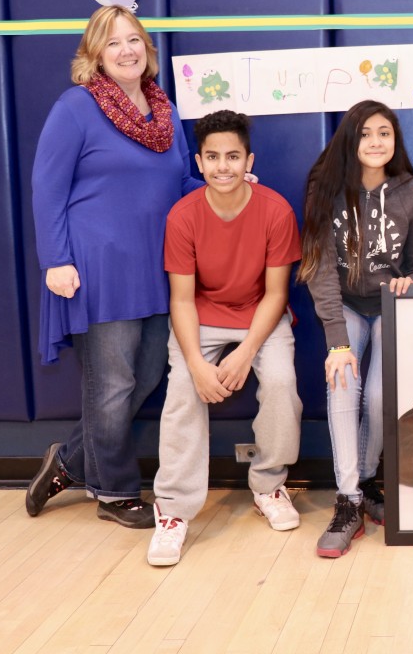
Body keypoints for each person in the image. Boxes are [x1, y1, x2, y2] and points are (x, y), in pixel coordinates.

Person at [27, 4, 201, 528]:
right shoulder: (76, 107)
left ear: (147, 47)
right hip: (97, 268)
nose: (126, 50)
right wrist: (54, 260)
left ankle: (70, 460)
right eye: (113, 42)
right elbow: (47, 186)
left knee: (146, 374)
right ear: (95, 55)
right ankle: (113, 491)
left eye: (134, 40)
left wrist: (228, 188)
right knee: (111, 385)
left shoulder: (162, 110)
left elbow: (180, 185)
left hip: (156, 267)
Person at [147, 111, 302, 565]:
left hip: (259, 316)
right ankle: (173, 512)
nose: (223, 166)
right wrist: (197, 363)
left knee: (278, 383)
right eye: (213, 157)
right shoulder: (183, 216)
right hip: (203, 315)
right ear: (199, 161)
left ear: (248, 159)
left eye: (233, 156)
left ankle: (269, 485)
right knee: (181, 391)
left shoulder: (275, 211)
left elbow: (276, 294)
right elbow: (182, 300)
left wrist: (246, 353)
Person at [302, 100, 413, 557]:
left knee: (379, 399)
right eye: (365, 134)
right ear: (350, 140)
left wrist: (411, 282)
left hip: (390, 307)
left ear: (395, 140)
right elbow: (319, 270)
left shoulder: (411, 190)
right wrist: (337, 341)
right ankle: (348, 499)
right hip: (346, 308)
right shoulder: (326, 187)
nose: (375, 142)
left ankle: (366, 479)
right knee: (342, 385)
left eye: (384, 133)